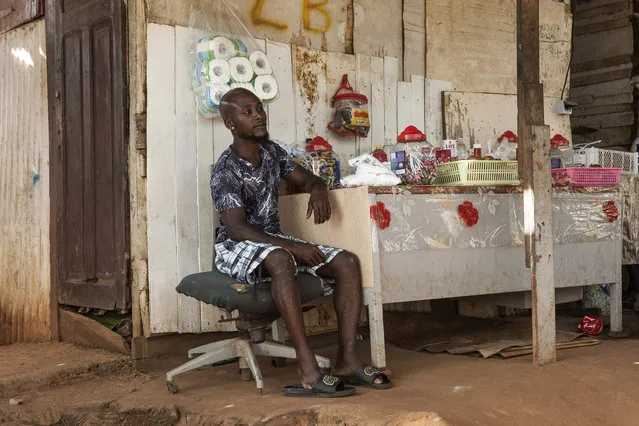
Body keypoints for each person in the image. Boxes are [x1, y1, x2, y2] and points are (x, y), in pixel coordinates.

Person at [210, 88, 391, 397]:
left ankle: (347, 361)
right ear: (229, 123)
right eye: (247, 112)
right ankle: (308, 369)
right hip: (234, 247)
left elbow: (307, 179)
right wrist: (294, 248)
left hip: (273, 243)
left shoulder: (272, 152)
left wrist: (318, 186)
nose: (257, 115)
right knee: (282, 258)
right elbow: (237, 229)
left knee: (347, 262)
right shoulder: (226, 169)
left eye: (259, 108)